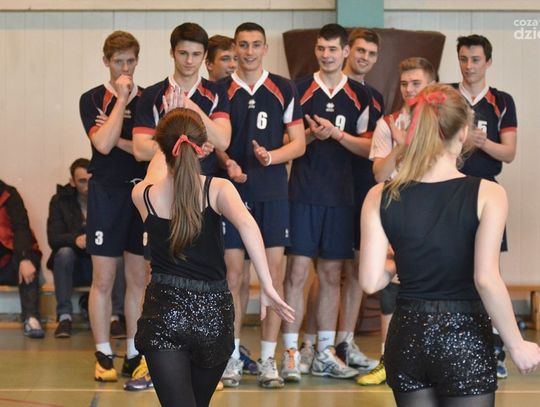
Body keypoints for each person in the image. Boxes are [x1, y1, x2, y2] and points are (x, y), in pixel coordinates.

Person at [359, 84, 540, 407]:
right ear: (464, 132)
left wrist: (401, 263)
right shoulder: (488, 193)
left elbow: (371, 281)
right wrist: (516, 344)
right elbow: (486, 278)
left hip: (407, 336)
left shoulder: (379, 195)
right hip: (463, 337)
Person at [132, 107, 295, 407]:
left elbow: (157, 169)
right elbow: (249, 226)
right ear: (202, 147)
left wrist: (168, 132)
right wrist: (268, 285)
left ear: (162, 147)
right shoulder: (218, 188)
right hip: (213, 317)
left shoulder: (143, 194)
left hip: (165, 314)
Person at [217, 22, 305, 388]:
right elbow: (213, 140)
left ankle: (269, 358)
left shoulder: (283, 87)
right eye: (243, 45)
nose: (249, 51)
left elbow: (299, 143)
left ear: (265, 48)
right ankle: (232, 356)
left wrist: (271, 157)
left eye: (256, 45)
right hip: (232, 194)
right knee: (234, 277)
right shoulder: (221, 89)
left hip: (272, 193)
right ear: (234, 48)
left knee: (273, 278)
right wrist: (227, 162)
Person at [284, 23, 371, 381]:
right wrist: (309, 134)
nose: (326, 55)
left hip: (341, 196)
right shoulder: (297, 89)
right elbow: (284, 140)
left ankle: (323, 351)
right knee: (296, 273)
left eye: (333, 49)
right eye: (321, 48)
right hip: (302, 193)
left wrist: (337, 134)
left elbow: (370, 148)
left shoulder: (362, 96)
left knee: (332, 274)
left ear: (345, 52)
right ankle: (291, 351)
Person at [79, 30, 149, 388]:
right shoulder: (92, 99)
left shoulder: (150, 98)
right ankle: (103, 353)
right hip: (106, 195)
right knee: (104, 279)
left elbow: (147, 149)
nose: (125, 68)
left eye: (130, 61)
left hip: (140, 194)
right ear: (106, 61)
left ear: (137, 60)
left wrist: (123, 140)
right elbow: (103, 146)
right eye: (118, 61)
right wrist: (121, 100)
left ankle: (135, 354)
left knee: (138, 279)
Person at [360, 57, 435, 386]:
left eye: (416, 83)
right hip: (396, 209)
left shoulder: (440, 122)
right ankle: (388, 359)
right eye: (404, 83)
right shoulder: (388, 124)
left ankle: (429, 359)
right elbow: (379, 173)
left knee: (429, 282)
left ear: (431, 84)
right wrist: (401, 147)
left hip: (432, 211)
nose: (409, 89)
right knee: (390, 287)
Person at [453, 34, 518, 379]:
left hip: (487, 192)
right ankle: (458, 345)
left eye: (475, 59)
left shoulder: (501, 101)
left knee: (489, 270)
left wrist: (482, 142)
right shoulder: (447, 96)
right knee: (454, 268)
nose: (469, 66)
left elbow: (509, 152)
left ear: (488, 62)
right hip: (449, 191)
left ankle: (495, 347)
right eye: (464, 58)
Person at [132, 22, 231, 178]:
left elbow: (223, 141)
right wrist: (191, 146)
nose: (189, 61)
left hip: (204, 180)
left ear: (205, 55)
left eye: (196, 54)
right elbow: (139, 150)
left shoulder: (217, 92)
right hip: (164, 180)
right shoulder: (152, 94)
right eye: (183, 53)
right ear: (172, 52)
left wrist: (190, 106)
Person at [46, 158, 126, 339]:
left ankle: (116, 317)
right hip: (75, 266)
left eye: (91, 180)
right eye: (82, 181)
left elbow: (119, 232)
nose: (88, 186)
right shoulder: (60, 201)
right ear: (72, 182)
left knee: (118, 258)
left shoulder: (106, 198)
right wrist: (75, 239)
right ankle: (64, 317)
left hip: (102, 262)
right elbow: (53, 238)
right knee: (64, 254)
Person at [0, 180, 44, 339]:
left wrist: (24, 258)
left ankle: (31, 318)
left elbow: (21, 228)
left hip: (10, 262)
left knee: (27, 259)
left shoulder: (9, 194)